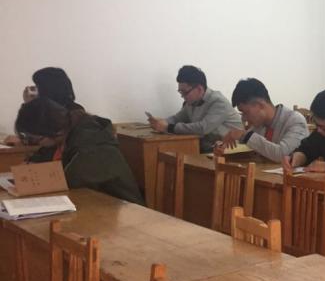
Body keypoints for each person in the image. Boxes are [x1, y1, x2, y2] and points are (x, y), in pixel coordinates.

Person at [15, 97, 144, 205]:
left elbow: (67, 182)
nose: (36, 144)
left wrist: (30, 178)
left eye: (35, 139)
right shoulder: (64, 136)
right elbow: (41, 159)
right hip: (92, 205)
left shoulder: (92, 146)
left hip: (125, 212)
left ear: (55, 131)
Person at [147, 65, 242, 153]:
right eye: (180, 92)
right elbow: (177, 118)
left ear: (199, 89)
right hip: (207, 149)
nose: (182, 96)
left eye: (185, 92)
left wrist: (168, 127)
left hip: (230, 152)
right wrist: (160, 123)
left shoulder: (219, 102)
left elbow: (202, 128)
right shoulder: (191, 102)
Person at [219, 78, 308, 162]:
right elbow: (247, 148)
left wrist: (245, 135)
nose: (244, 118)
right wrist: (224, 148)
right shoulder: (259, 125)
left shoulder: (295, 121)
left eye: (245, 112)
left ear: (260, 105)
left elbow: (282, 155)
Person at [4, 67, 82, 146]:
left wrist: (31, 105)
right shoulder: (48, 110)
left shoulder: (72, 111)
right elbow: (33, 133)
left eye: (38, 87)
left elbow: (47, 140)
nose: (35, 91)